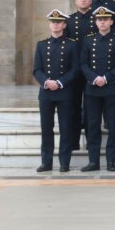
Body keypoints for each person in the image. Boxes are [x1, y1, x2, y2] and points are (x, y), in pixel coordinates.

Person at [79, 6, 115, 172]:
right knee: (92, 125)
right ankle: (93, 161)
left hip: (111, 88)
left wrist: (106, 78)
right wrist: (94, 78)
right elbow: (83, 63)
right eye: (99, 19)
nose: (102, 22)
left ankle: (110, 161)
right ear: (96, 21)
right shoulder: (88, 40)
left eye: (105, 19)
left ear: (111, 21)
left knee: (113, 125)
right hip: (92, 88)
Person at [33, 9, 80, 173]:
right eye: (53, 22)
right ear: (49, 25)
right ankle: (46, 162)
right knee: (46, 128)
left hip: (64, 91)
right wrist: (46, 82)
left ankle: (64, 162)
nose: (56, 24)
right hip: (46, 92)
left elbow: (75, 69)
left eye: (59, 22)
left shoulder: (72, 44)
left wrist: (59, 82)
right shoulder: (41, 45)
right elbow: (36, 69)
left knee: (65, 128)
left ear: (64, 24)